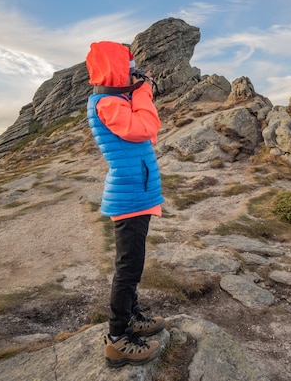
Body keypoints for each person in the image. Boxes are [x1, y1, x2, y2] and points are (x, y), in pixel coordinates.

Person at [85, 41, 166, 368]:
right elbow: (146, 127)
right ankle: (118, 338)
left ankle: (132, 317)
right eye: (128, 66)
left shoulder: (115, 99)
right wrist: (143, 92)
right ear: (114, 68)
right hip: (130, 196)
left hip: (138, 193)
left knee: (133, 264)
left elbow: (147, 136)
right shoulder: (105, 102)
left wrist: (135, 90)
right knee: (128, 269)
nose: (135, 71)